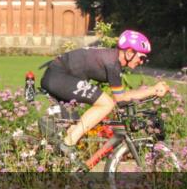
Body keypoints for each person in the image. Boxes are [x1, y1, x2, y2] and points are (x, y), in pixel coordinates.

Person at [39, 30, 170, 159]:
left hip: (59, 75)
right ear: (130, 52)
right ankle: (68, 143)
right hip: (58, 76)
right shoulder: (112, 63)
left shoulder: (113, 59)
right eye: (141, 57)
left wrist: (150, 91)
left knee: (75, 124)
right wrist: (153, 90)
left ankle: (58, 156)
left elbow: (123, 96)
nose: (142, 62)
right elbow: (120, 98)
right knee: (106, 104)